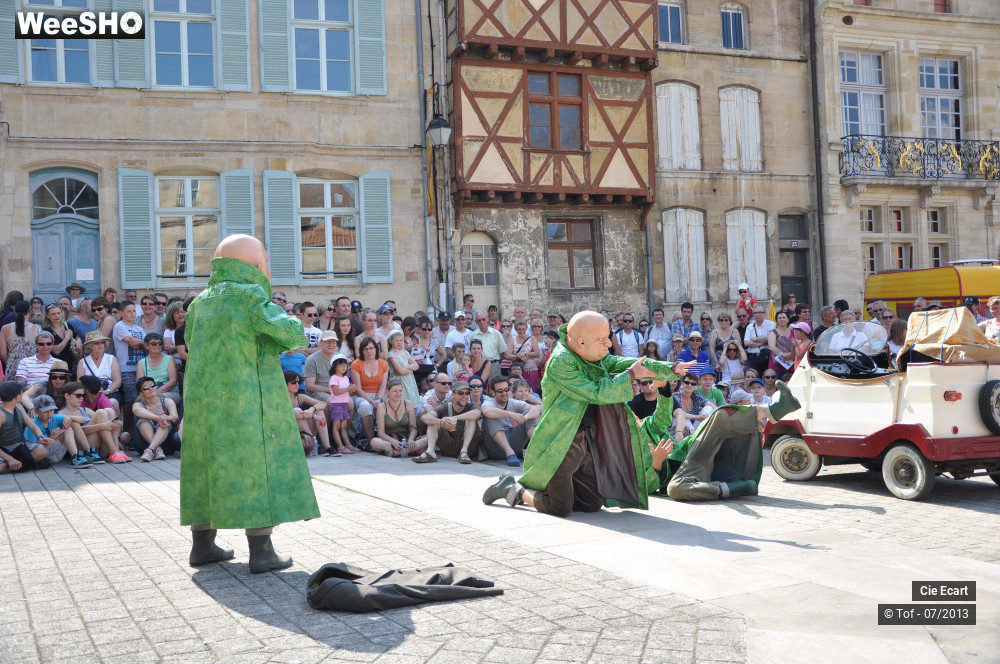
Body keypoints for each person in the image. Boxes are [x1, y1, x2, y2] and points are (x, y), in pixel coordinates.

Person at [181, 235, 319, 574]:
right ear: (254, 265)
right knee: (257, 462)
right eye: (266, 262)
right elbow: (288, 334)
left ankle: (202, 545)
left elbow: (188, 340)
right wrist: (294, 322)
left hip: (203, 399)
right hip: (247, 396)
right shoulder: (250, 295)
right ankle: (262, 551)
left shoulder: (200, 302)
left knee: (205, 463)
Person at [483, 312, 694, 517]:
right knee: (559, 507)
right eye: (602, 340)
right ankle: (513, 489)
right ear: (582, 342)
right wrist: (630, 375)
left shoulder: (588, 353)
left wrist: (672, 368)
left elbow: (624, 363)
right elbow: (597, 392)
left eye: (608, 338)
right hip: (563, 441)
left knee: (592, 503)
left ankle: (558, 490)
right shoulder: (561, 362)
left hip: (587, 440)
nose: (609, 344)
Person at [416, 380, 482, 464]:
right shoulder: (446, 407)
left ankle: (464, 452)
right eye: (461, 393)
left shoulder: (472, 407)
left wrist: (453, 418)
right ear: (453, 394)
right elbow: (425, 417)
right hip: (449, 446)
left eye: (467, 393)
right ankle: (430, 453)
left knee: (471, 419)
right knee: (433, 422)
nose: (464, 396)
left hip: (470, 449)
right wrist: (441, 422)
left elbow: (477, 413)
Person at [480, 375, 541, 465]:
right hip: (495, 449)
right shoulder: (489, 403)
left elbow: (536, 409)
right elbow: (486, 411)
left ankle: (539, 448)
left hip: (514, 445)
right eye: (500, 391)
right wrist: (511, 414)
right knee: (490, 416)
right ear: (493, 392)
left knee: (529, 413)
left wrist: (524, 418)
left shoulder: (513, 402)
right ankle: (509, 452)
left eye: (506, 390)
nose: (504, 393)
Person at [0, 381, 54, 473]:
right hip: (3, 449)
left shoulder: (18, 406)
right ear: (17, 397)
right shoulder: (1, 414)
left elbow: (32, 425)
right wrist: (10, 459)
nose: (23, 393)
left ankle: (23, 464)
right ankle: (29, 464)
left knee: (42, 451)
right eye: (21, 392)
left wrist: (41, 437)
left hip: (20, 445)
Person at [22, 394, 86, 467]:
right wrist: (52, 437)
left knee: (69, 427)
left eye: (51, 410)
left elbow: (83, 419)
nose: (49, 414)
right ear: (36, 411)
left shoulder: (55, 417)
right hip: (43, 456)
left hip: (57, 453)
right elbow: (34, 451)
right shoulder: (32, 424)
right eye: (45, 411)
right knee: (66, 429)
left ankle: (76, 457)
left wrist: (68, 417)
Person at [370, 379, 427, 458]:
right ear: (387, 392)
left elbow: (413, 427)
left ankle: (396, 453)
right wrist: (393, 441)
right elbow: (381, 433)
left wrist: (411, 439)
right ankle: (409, 451)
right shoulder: (382, 407)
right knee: (374, 442)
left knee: (428, 439)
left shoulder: (408, 404)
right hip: (390, 441)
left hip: (406, 439)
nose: (398, 394)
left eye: (400, 391)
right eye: (395, 391)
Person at [351, 337, 390, 447]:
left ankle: (393, 437)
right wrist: (372, 402)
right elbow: (358, 389)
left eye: (371, 348)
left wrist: (378, 399)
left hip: (379, 394)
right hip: (361, 395)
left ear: (376, 349)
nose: (369, 351)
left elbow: (383, 385)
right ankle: (371, 441)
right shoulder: (356, 364)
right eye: (366, 349)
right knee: (365, 406)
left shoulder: (383, 364)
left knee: (391, 403)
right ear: (362, 351)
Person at [131, 376, 181, 461]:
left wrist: (165, 418)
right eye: (146, 388)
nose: (151, 389)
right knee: (143, 420)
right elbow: (136, 410)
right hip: (143, 445)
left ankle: (150, 450)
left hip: (166, 444)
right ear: (141, 393)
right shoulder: (138, 404)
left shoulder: (167, 401)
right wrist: (157, 418)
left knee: (165, 423)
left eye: (152, 385)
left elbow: (175, 418)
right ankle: (155, 448)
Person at [284, 371, 332, 457]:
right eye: (293, 382)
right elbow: (290, 414)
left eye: (299, 382)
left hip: (304, 431)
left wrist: (311, 409)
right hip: (288, 431)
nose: (297, 384)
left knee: (319, 410)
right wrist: (314, 417)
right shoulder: (279, 399)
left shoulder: (300, 397)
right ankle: (309, 444)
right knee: (297, 411)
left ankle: (327, 447)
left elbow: (323, 403)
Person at [76, 331, 122, 419]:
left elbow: (117, 380)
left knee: (112, 402)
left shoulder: (111, 358)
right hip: (90, 394)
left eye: (102, 342)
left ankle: (116, 427)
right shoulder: (83, 362)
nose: (100, 345)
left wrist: (107, 391)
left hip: (109, 392)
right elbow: (79, 383)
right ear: (90, 346)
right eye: (96, 343)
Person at [136, 333, 181, 417]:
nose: (157, 345)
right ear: (146, 346)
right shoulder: (141, 363)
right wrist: (151, 393)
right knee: (137, 405)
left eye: (160, 343)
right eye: (154, 343)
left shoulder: (169, 359)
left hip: (170, 392)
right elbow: (140, 384)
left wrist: (155, 393)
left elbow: (173, 381)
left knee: (158, 399)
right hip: (149, 392)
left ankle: (165, 423)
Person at [112, 302, 146, 410]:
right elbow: (132, 343)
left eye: (134, 311)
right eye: (129, 311)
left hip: (141, 369)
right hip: (126, 369)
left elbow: (147, 345)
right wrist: (143, 343)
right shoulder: (119, 326)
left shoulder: (139, 329)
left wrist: (141, 343)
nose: (132, 314)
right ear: (121, 313)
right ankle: (129, 427)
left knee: (142, 401)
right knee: (131, 401)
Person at [1, 301, 40, 378]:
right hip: (31, 367)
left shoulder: (5, 328)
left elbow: (2, 353)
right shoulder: (37, 328)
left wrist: (10, 363)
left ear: (15, 312)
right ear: (30, 312)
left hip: (12, 367)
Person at [327, 356, 356, 454]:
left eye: (345, 365)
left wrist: (352, 389)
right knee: (336, 426)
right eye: (341, 365)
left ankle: (348, 445)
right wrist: (348, 389)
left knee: (344, 426)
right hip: (336, 404)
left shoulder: (346, 378)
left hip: (344, 403)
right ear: (335, 366)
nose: (344, 367)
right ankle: (340, 447)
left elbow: (347, 392)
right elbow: (336, 392)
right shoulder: (334, 378)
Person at [386, 330, 421, 409]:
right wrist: (410, 368)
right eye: (397, 340)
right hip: (399, 382)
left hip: (410, 381)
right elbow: (400, 371)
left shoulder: (405, 352)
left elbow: (416, 365)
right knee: (402, 404)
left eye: (401, 340)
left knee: (412, 404)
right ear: (391, 341)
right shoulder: (391, 354)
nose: (399, 342)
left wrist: (405, 367)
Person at [672, 372, 711, 438]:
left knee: (709, 408)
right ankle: (695, 437)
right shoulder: (675, 396)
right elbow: (679, 414)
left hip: (694, 427)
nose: (690, 385)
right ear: (682, 383)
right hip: (680, 428)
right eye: (687, 382)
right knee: (682, 416)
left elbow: (710, 405)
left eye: (693, 384)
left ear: (696, 386)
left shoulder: (696, 396)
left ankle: (699, 436)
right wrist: (697, 417)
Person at [743, 305, 776, 373]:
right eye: (755, 313)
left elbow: (770, 338)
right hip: (753, 357)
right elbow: (746, 343)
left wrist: (754, 339)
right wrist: (763, 342)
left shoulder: (771, 324)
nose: (757, 315)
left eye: (760, 312)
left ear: (765, 313)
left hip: (766, 357)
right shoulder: (750, 327)